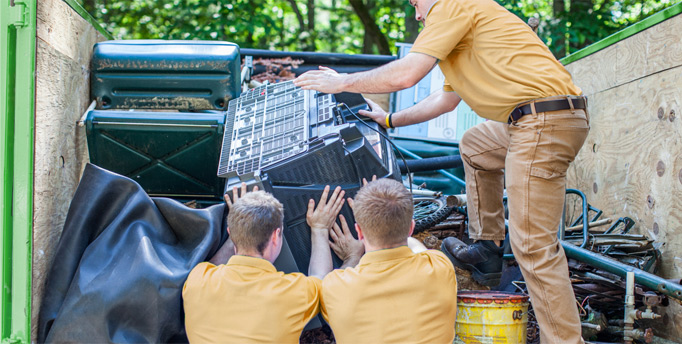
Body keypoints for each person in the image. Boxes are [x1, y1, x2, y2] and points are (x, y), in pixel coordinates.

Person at [294, 0, 589, 342]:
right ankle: (487, 247)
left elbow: (407, 74)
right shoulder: (459, 34)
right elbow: (445, 101)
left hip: (543, 121)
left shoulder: (454, 5)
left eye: (416, 3)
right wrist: (390, 120)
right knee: (476, 145)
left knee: (533, 247)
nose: (417, 14)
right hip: (530, 121)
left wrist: (342, 83)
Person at [182, 183, 346, 343]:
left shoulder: (197, 279)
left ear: (230, 233)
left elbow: (214, 265)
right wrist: (320, 228)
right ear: (275, 236)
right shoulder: (291, 293)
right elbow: (322, 279)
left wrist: (239, 224)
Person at [321, 178, 458, 343]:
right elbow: (416, 247)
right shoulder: (439, 266)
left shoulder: (335, 287)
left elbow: (317, 279)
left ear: (359, 231)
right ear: (411, 228)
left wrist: (351, 256)